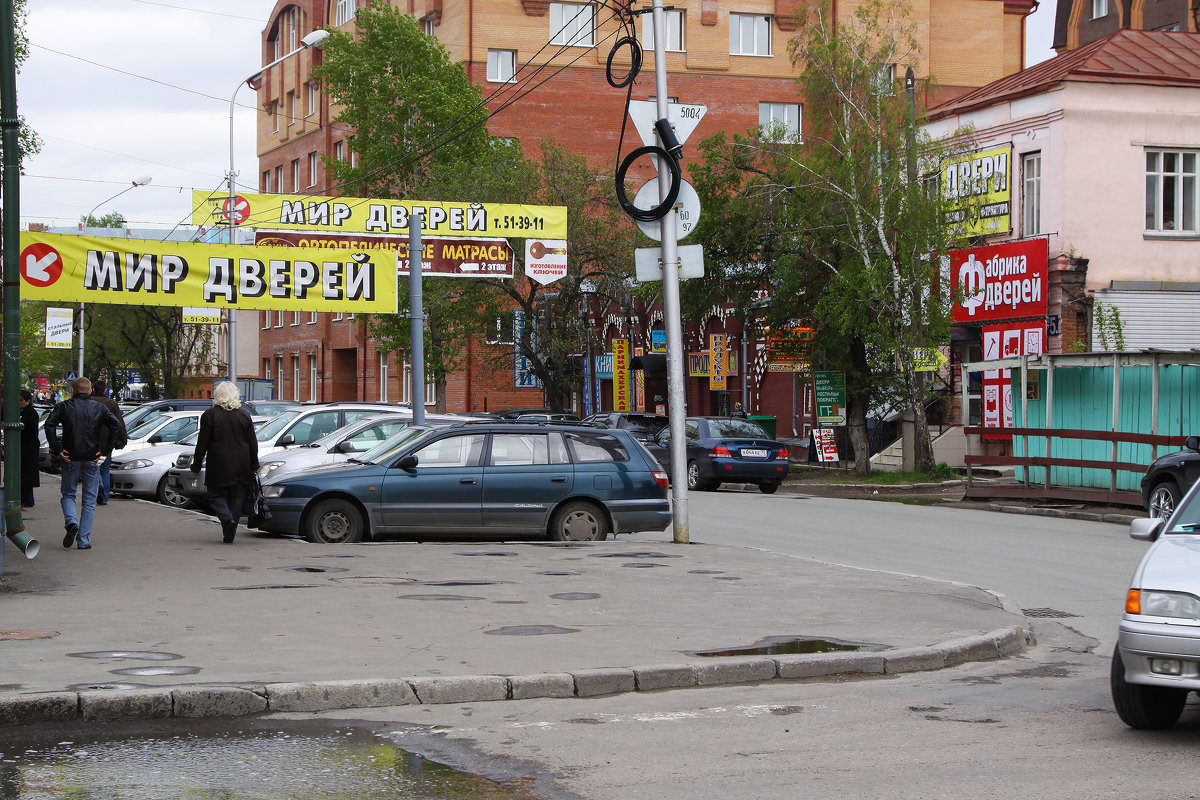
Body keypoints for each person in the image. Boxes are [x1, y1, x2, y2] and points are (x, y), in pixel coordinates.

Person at [44, 376, 125, 550]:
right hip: (92, 457)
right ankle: (84, 540)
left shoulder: (64, 406)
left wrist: (57, 449)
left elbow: (49, 424)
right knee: (89, 500)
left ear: (73, 390)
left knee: (68, 494)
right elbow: (116, 426)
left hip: (70, 455)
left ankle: (71, 522)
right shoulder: (99, 408)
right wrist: (105, 450)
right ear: (90, 391)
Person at [191, 381, 258, 544]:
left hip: (219, 464)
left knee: (215, 496)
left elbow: (202, 443)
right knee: (236, 500)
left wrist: (196, 466)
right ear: (235, 395)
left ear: (218, 396)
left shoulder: (210, 415)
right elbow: (252, 443)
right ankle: (230, 534)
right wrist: (254, 465)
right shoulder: (244, 415)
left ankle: (227, 520)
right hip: (242, 465)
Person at [90, 379, 126, 505]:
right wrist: (122, 440)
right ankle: (104, 497)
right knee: (105, 469)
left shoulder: (88, 402)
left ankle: (95, 490)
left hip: (90, 441)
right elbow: (119, 423)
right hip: (107, 442)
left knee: (92, 468)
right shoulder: (111, 403)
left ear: (93, 390)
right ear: (105, 390)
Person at [18, 389, 41, 507]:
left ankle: (27, 499)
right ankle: (25, 498)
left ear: (27, 401)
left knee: (26, 475)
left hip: (28, 448)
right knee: (24, 475)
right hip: (25, 447)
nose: (19, 402)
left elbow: (27, 427)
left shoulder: (30, 413)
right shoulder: (24, 411)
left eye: (21, 400)